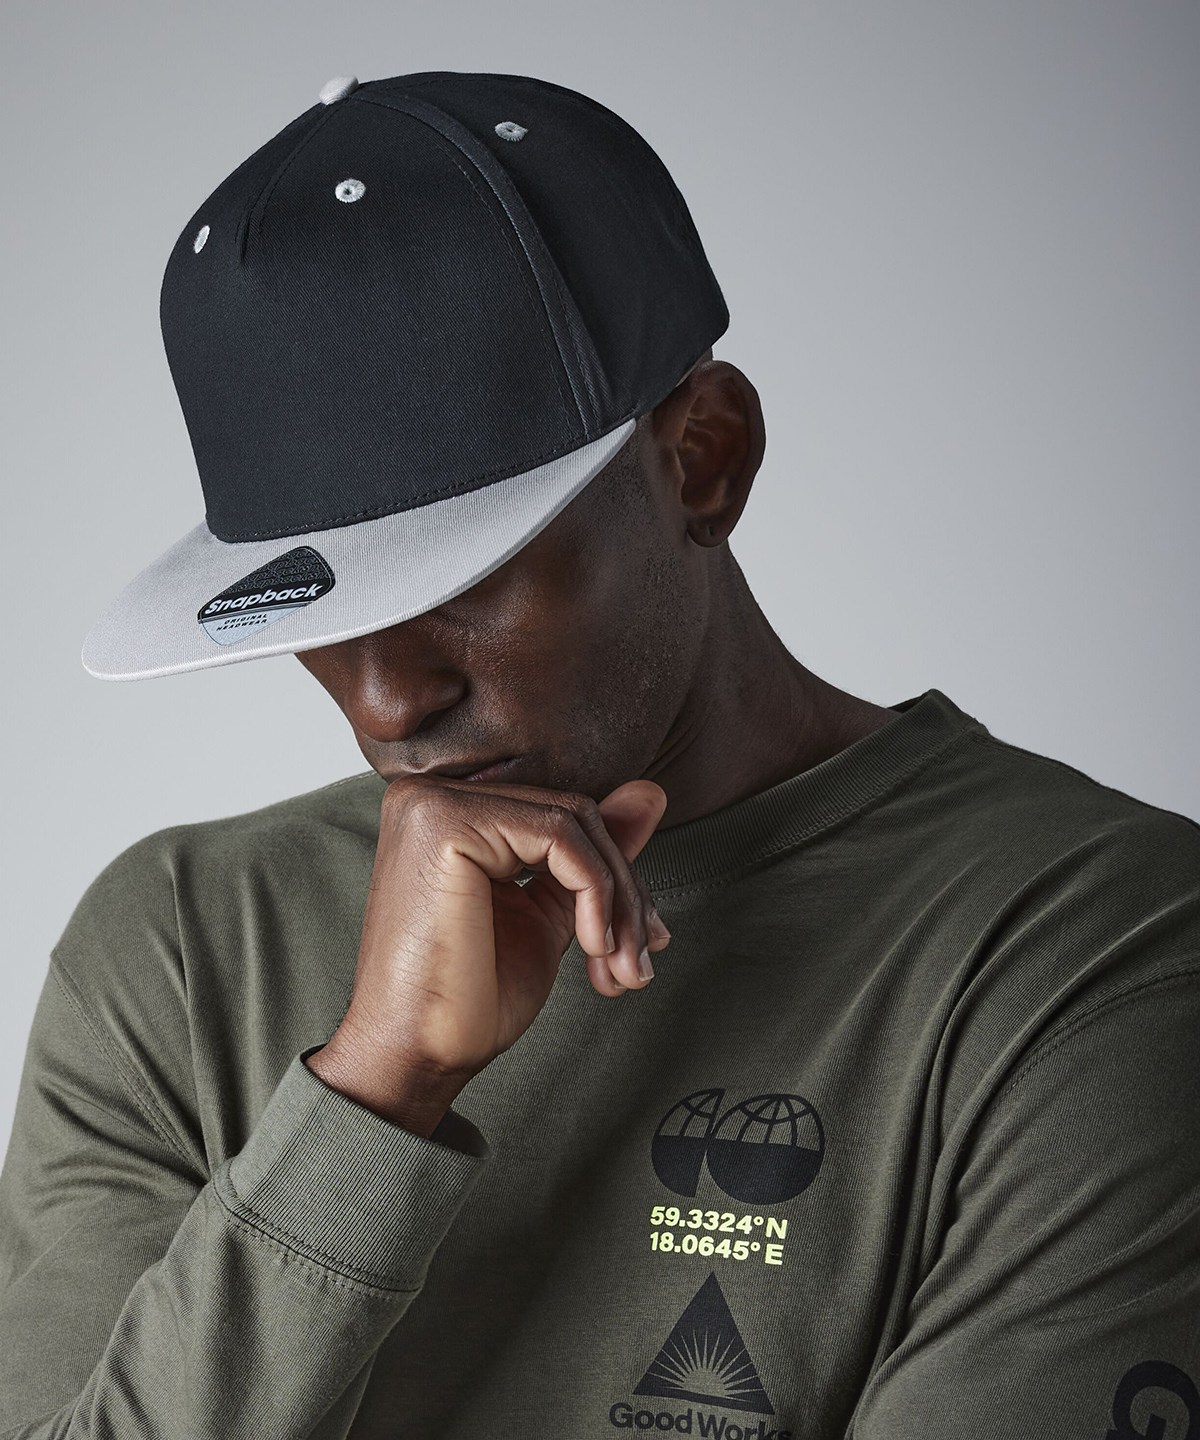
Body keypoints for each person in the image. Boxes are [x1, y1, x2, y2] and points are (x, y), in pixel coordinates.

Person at [1, 68, 1197, 1440]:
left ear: (704, 459)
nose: (386, 702)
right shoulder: (178, 948)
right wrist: (375, 1091)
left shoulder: (1099, 952)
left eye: (460, 578)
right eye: (314, 609)